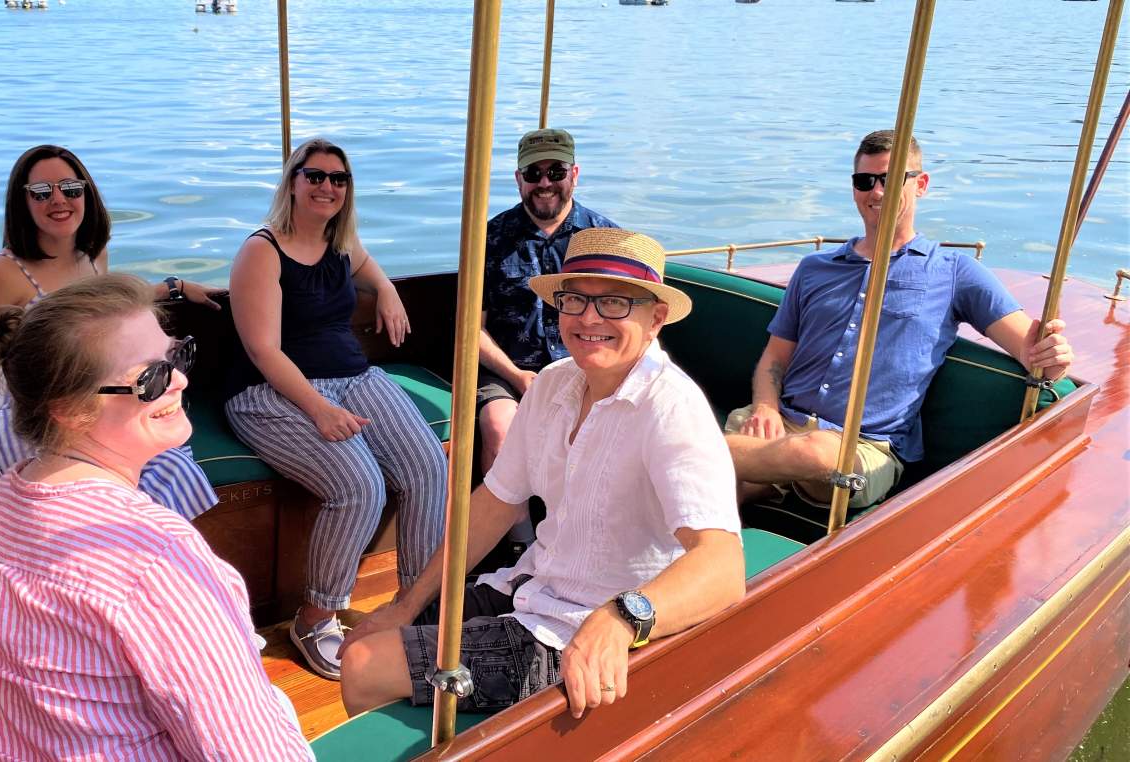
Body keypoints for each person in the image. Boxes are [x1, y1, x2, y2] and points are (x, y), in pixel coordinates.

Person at [338, 228, 745, 720]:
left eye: (615, 302)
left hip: (582, 629)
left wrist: (621, 618)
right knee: (365, 636)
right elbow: (494, 503)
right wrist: (406, 603)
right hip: (531, 585)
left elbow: (723, 568)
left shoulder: (670, 408)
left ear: (655, 318)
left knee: (363, 664)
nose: (589, 318)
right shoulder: (554, 384)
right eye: (575, 299)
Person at [0, 274, 312, 761]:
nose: (180, 381)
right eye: (150, 378)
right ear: (70, 410)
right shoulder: (154, 562)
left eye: (177, 356)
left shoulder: (11, 499)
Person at [724, 130, 1075, 510]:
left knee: (816, 454)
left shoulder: (954, 272)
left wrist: (1050, 355)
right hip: (779, 424)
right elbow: (774, 359)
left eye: (890, 180)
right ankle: (742, 485)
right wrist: (765, 408)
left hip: (862, 448)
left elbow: (1028, 347)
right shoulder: (814, 270)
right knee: (716, 496)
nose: (876, 192)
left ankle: (698, 453)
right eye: (865, 181)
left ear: (921, 184)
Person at [225, 138, 448, 681]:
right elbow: (263, 350)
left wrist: (388, 289)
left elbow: (369, 268)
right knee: (359, 488)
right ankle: (315, 618)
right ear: (293, 182)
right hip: (271, 391)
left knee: (427, 469)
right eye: (315, 175)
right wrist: (319, 408)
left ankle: (413, 607)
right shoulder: (263, 249)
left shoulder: (341, 243)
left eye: (339, 179)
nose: (327, 186)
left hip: (354, 375)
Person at [0, 144, 225, 521]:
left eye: (70, 189)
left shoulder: (93, 253)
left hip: (88, 389)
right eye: (42, 193)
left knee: (167, 464)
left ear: (86, 194)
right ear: (22, 202)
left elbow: (97, 308)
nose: (58, 200)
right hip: (26, 406)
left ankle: (150, 555)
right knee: (94, 489)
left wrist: (174, 287)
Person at [479, 128, 618, 545]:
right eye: (533, 173)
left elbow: (620, 326)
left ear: (574, 174)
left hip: (585, 364)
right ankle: (518, 549)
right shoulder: (489, 237)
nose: (544, 183)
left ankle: (578, 540)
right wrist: (519, 377)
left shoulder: (604, 240)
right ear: (518, 179)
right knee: (499, 426)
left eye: (555, 171)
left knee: (599, 428)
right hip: (506, 369)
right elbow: (472, 330)